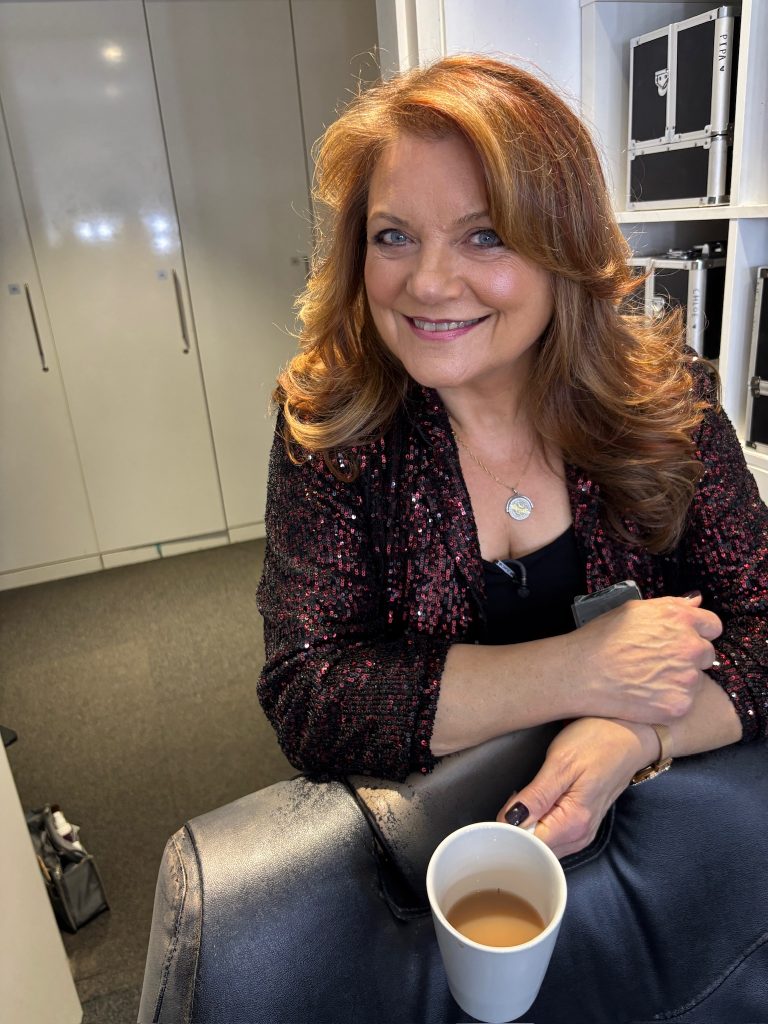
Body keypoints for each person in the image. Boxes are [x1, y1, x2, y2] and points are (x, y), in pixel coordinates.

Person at [257, 56, 768, 1022]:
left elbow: (765, 624)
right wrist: (581, 669)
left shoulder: (671, 408)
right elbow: (310, 694)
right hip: (439, 887)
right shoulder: (332, 430)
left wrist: (637, 733)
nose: (427, 282)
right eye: (393, 236)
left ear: (564, 245)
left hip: (661, 860)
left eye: (484, 235)